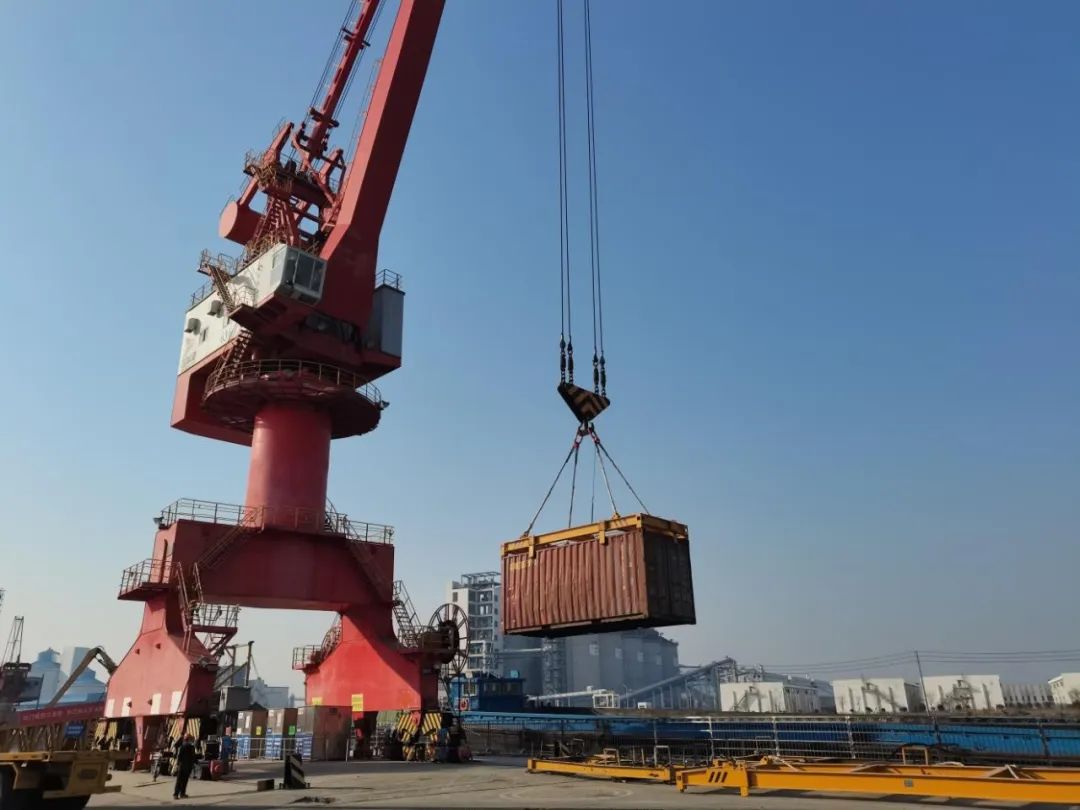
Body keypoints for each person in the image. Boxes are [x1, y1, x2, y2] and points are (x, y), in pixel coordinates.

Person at [173, 734, 197, 799]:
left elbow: (179, 757)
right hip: (186, 766)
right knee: (183, 781)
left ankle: (178, 794)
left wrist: (178, 764)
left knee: (181, 780)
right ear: (189, 739)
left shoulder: (184, 746)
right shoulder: (190, 747)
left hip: (184, 766)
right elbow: (193, 757)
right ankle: (180, 794)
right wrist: (195, 763)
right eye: (191, 739)